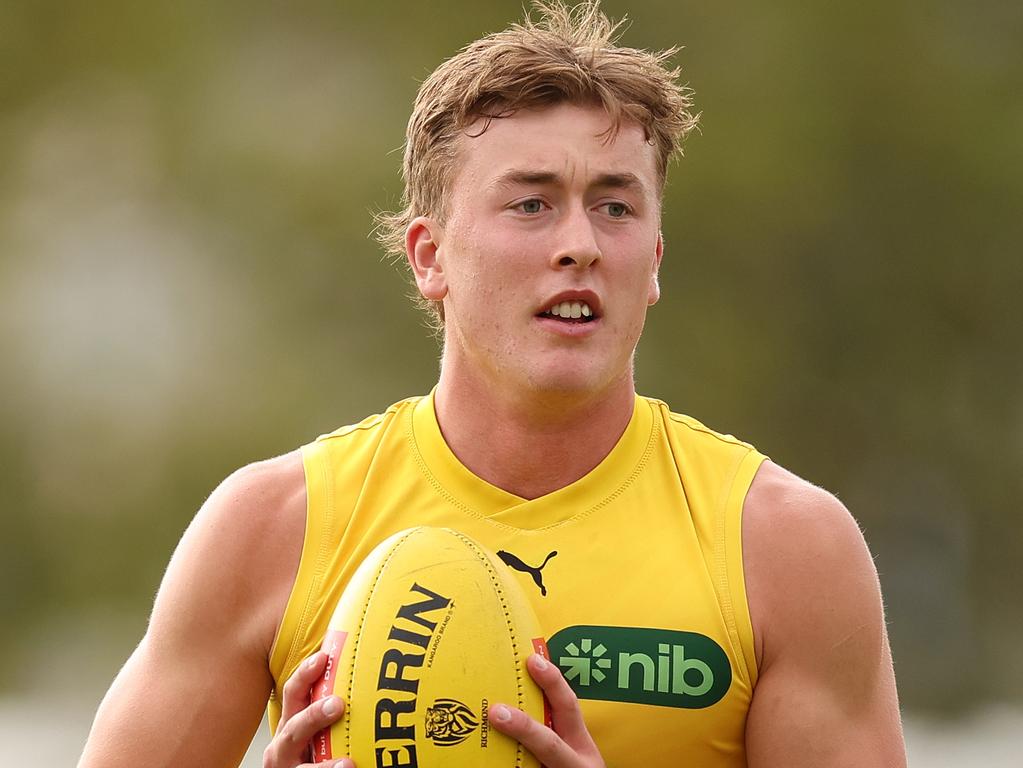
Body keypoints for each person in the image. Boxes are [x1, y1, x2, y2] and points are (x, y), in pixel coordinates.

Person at [77, 2, 906, 766]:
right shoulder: (270, 529)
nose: (579, 244)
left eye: (615, 207)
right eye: (531, 205)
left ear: (652, 262)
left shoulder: (784, 547)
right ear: (430, 257)